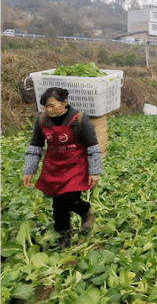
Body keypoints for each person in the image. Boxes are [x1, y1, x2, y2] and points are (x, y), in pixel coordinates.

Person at [22, 87, 102, 248]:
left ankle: (85, 210)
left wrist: (95, 172)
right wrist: (29, 170)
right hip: (54, 168)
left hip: (75, 167)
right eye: (45, 106)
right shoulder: (42, 121)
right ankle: (63, 236)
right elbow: (35, 147)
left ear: (64, 103)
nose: (48, 109)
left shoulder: (79, 120)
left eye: (52, 105)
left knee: (69, 199)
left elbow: (93, 147)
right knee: (58, 204)